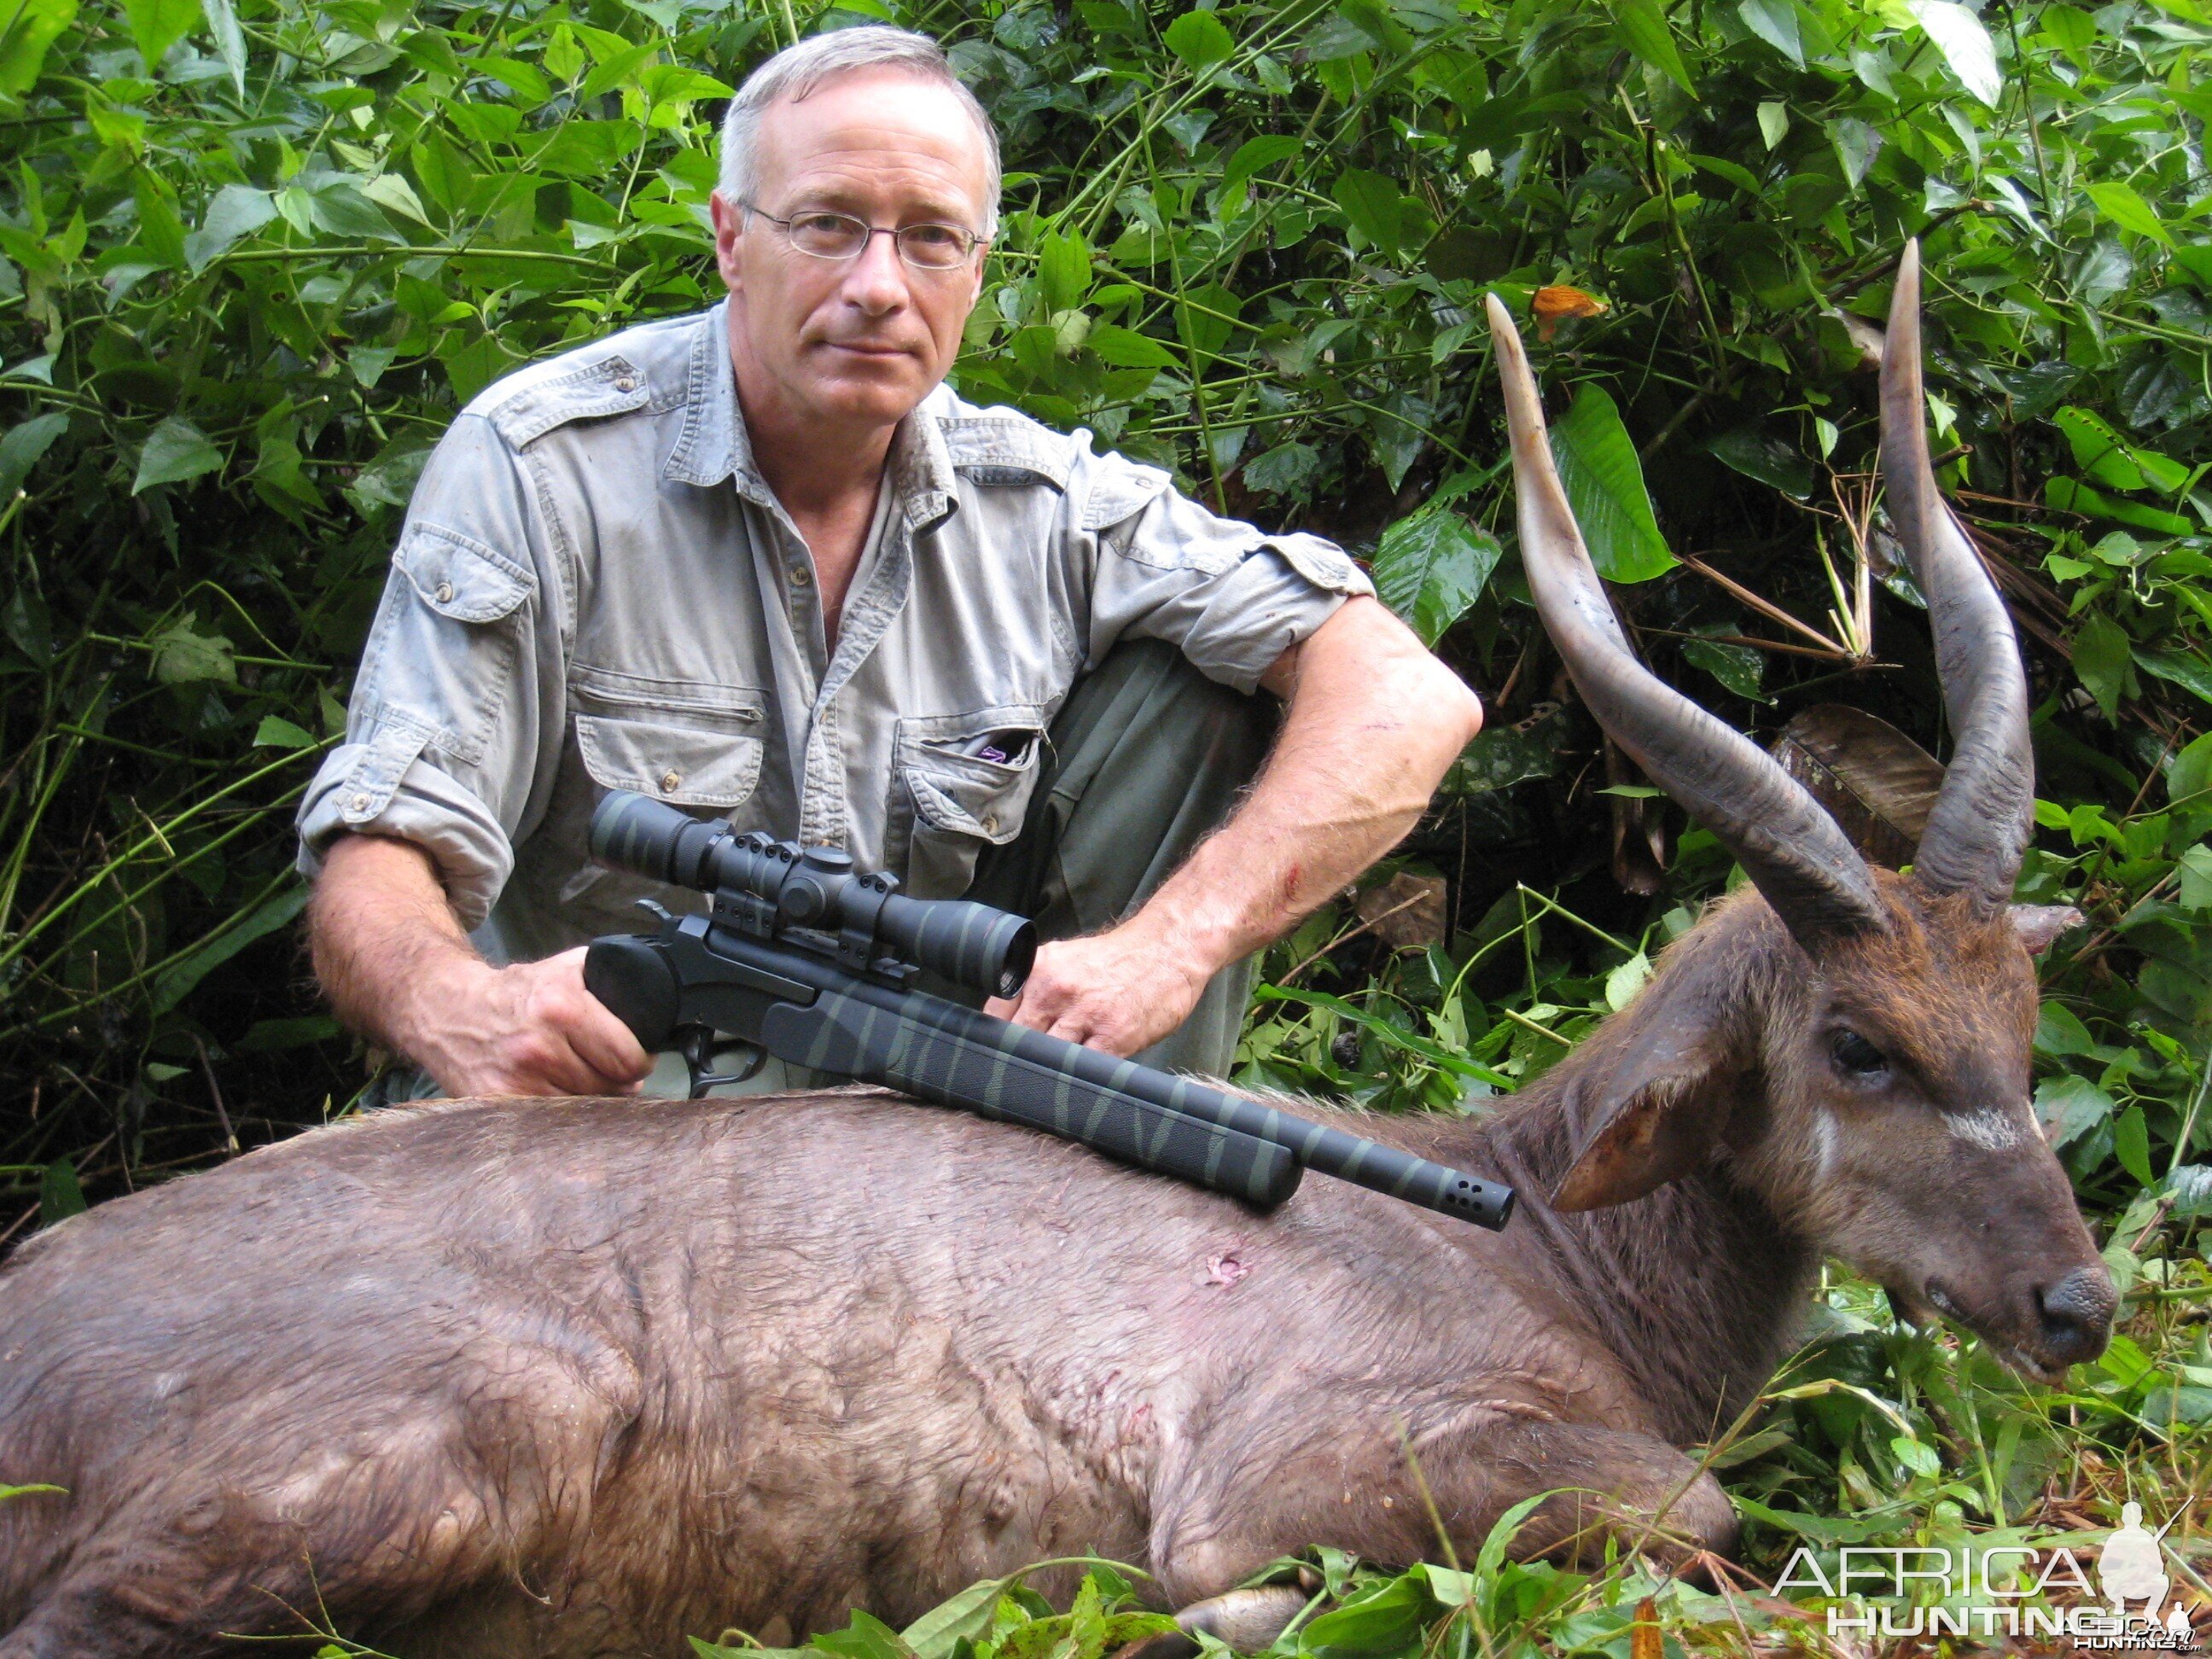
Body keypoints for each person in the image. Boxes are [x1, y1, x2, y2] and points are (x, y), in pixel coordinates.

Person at [297, 26, 1484, 1100]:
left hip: (930, 1092)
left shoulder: (1045, 503)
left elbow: (1407, 697)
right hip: (609, 1099)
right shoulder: (541, 464)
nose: (877, 287)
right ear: (729, 240)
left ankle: (1108, 1189)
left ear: (976, 273)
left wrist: (1163, 949)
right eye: (826, 225)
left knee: (1209, 684)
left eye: (928, 238)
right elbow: (382, 844)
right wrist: (462, 1009)